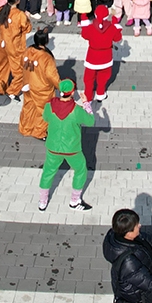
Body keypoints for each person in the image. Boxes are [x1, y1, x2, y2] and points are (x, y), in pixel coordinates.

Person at [37, 78, 95, 211]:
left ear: (60, 91)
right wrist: (86, 103)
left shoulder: (49, 106)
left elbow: (45, 118)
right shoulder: (76, 110)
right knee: (80, 170)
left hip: (52, 147)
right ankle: (74, 201)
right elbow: (91, 121)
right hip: (72, 149)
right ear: (72, 92)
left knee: (48, 172)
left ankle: (42, 201)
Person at [20, 28, 60, 139]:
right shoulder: (46, 57)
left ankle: (25, 128)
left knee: (28, 107)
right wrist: (60, 86)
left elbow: (21, 64)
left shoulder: (28, 50)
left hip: (27, 84)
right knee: (44, 110)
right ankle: (39, 132)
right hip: (41, 88)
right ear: (46, 42)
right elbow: (52, 76)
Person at [0, 0, 31, 98]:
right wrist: (27, 18)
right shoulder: (20, 15)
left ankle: (0, 87)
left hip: (2, 43)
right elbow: (27, 28)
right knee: (19, 70)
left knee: (1, 66)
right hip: (15, 46)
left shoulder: (0, 10)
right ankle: (12, 90)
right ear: (18, 0)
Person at [82, 4, 121, 103]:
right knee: (103, 77)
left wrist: (84, 19)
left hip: (92, 57)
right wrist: (116, 25)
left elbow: (84, 35)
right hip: (106, 57)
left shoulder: (91, 27)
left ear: (95, 14)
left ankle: (88, 96)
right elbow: (117, 38)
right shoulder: (111, 27)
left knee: (88, 79)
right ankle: (100, 93)